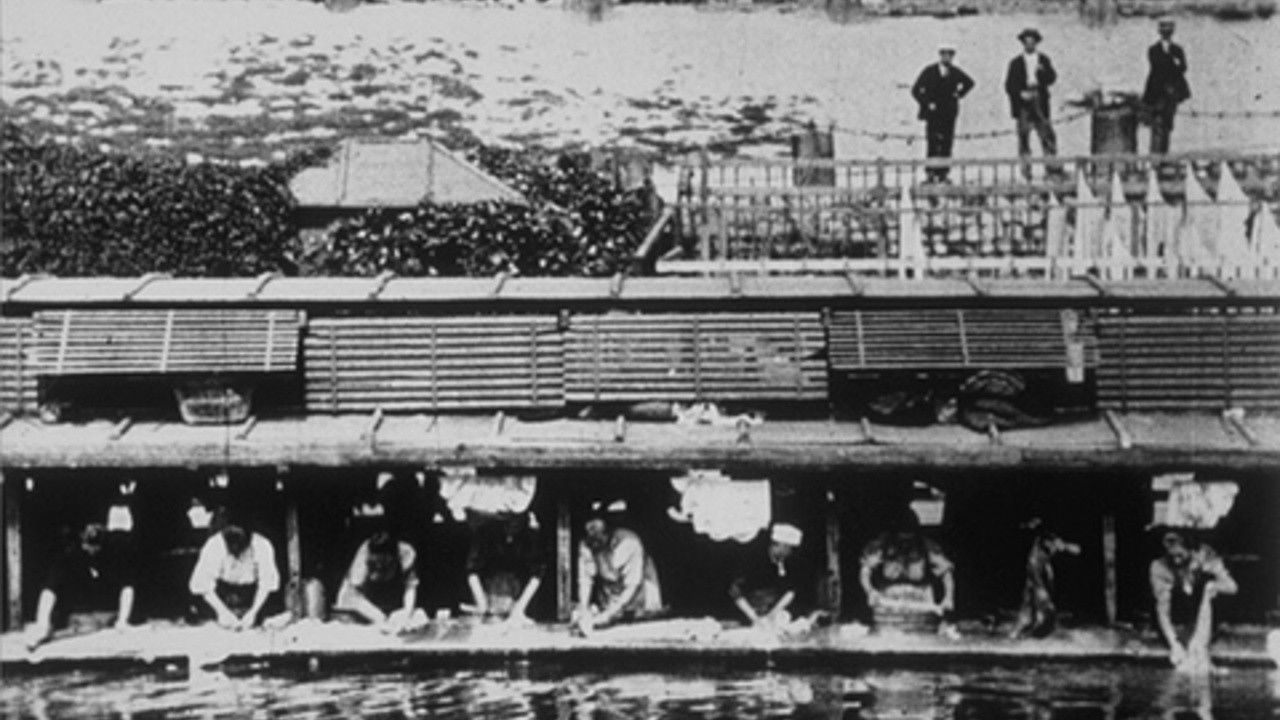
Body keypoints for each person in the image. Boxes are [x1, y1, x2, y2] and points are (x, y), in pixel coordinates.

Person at [25, 523, 137, 650]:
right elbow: (49, 589)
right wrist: (42, 623)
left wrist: (123, 620)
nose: (91, 550)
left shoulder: (113, 557)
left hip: (106, 614)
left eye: (96, 547)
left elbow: (127, 586)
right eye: (88, 546)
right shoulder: (69, 557)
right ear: (82, 543)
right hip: (77, 615)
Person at [1149, 529, 1237, 672]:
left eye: (1180, 555)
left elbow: (1232, 587)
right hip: (1177, 620)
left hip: (1201, 617)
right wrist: (1174, 644)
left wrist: (1213, 585)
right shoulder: (1159, 567)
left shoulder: (1204, 555)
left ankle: (1200, 644)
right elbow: (1162, 611)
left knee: (1208, 588)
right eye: (1172, 556)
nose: (1176, 560)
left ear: (1191, 550)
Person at [859, 508, 956, 637]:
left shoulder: (927, 546)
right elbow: (866, 570)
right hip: (888, 603)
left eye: (909, 538)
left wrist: (948, 597)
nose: (905, 543)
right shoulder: (881, 545)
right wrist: (870, 591)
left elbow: (946, 571)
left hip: (922, 602)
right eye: (901, 538)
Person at [575, 500, 663, 635]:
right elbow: (585, 579)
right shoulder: (587, 543)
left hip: (639, 597)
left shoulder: (629, 543)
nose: (593, 537)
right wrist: (583, 609)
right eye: (590, 532)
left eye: (597, 532)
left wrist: (608, 614)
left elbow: (632, 585)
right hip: (610, 596)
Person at [188, 515, 281, 630]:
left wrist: (253, 612)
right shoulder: (214, 546)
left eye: (240, 545)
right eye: (231, 546)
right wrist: (222, 611)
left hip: (252, 595)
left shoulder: (262, 546)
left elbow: (267, 583)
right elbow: (202, 585)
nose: (236, 549)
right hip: (222, 595)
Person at [729, 523, 820, 634]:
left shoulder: (788, 563)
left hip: (774, 612)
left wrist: (772, 615)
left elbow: (791, 591)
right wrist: (755, 618)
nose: (790, 552)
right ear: (781, 545)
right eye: (789, 548)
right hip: (750, 612)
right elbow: (735, 591)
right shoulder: (753, 560)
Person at [333, 530, 426, 633]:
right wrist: (379, 617)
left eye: (384, 564)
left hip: (389, 601)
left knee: (416, 619)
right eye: (375, 564)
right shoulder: (364, 555)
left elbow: (410, 588)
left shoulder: (406, 553)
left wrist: (407, 614)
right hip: (357, 604)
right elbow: (353, 595)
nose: (379, 566)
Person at [465, 511, 546, 625]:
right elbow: (472, 569)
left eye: (518, 519)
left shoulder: (529, 536)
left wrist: (519, 608)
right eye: (510, 520)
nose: (513, 524)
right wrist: (482, 604)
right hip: (488, 593)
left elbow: (537, 572)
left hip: (516, 596)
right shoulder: (485, 532)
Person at [911, 43, 975, 183]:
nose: (947, 58)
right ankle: (931, 172)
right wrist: (927, 103)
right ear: (940, 56)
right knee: (932, 142)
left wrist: (958, 94)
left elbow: (970, 82)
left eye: (950, 55)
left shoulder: (955, 72)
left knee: (947, 142)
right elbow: (915, 90)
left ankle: (944, 173)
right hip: (933, 114)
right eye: (944, 54)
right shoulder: (929, 71)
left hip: (949, 113)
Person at [1009, 518, 1081, 639]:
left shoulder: (1048, 550)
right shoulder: (1038, 550)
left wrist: (1066, 546)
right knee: (1045, 613)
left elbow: (1074, 549)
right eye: (1051, 544)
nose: (1054, 548)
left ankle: (1021, 635)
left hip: (1036, 582)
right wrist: (1040, 589)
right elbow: (1033, 569)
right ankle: (1020, 635)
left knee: (1033, 614)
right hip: (1036, 582)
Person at [1003, 28, 1060, 177]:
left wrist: (1043, 72)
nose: (1029, 45)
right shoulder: (1015, 63)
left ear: (1036, 43)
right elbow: (1009, 85)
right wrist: (1021, 94)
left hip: (1040, 99)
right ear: (1023, 43)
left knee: (1047, 135)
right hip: (1023, 103)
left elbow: (1052, 78)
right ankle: (1025, 171)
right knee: (1023, 137)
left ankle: (1051, 169)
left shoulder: (1044, 59)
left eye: (1032, 42)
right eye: (1026, 42)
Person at [1142, 18, 1190, 155]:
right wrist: (1172, 64)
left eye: (1168, 31)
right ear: (1160, 32)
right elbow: (1158, 68)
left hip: (1172, 92)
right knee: (1157, 123)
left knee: (1167, 123)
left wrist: (1173, 67)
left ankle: (1163, 154)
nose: (1166, 33)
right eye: (1164, 31)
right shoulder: (1153, 50)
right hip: (1157, 91)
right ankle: (1156, 155)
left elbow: (1184, 67)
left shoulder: (1177, 50)